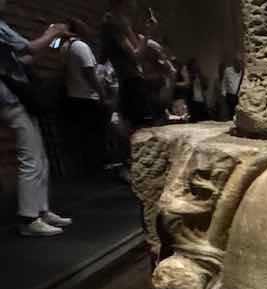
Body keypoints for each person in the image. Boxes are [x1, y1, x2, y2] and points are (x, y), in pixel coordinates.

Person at [0, 4, 73, 237]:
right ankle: (29, 219)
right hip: (10, 99)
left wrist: (54, 40)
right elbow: (29, 47)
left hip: (20, 98)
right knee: (30, 157)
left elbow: (28, 57)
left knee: (39, 155)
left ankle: (41, 211)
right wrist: (53, 33)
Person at [63, 18, 109, 175]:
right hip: (87, 98)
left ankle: (88, 169)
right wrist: (102, 94)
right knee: (95, 136)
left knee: (83, 136)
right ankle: (97, 169)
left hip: (73, 97)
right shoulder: (81, 46)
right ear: (80, 29)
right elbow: (89, 72)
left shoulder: (65, 46)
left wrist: (60, 35)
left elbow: (52, 46)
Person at [102, 0, 153, 129]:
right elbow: (136, 56)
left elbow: (139, 55)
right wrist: (148, 32)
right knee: (141, 131)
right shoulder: (112, 22)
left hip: (133, 81)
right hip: (130, 83)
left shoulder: (122, 21)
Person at [222, 54, 244, 118]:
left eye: (240, 62)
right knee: (230, 115)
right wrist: (224, 94)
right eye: (237, 62)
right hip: (229, 96)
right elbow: (224, 83)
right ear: (234, 62)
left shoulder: (243, 72)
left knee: (238, 116)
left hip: (239, 97)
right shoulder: (228, 70)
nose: (239, 64)